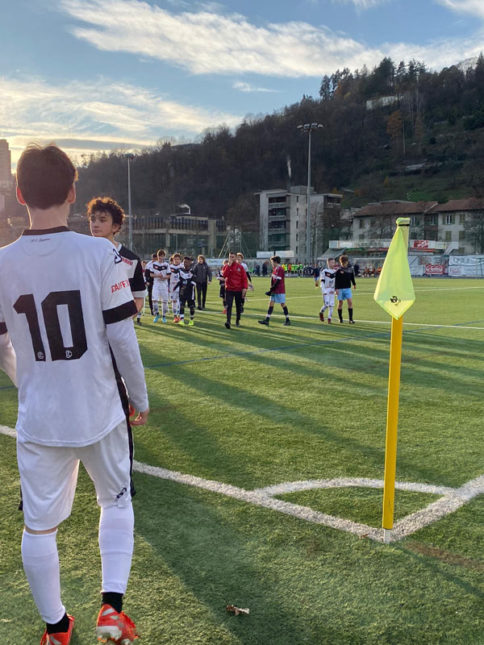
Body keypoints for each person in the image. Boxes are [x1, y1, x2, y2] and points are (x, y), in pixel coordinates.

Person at [0, 143, 149, 645]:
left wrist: (35, 383)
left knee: (39, 528)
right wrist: (140, 398)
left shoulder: (1, 264)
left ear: (20, 194)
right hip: (100, 409)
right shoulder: (102, 252)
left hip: (40, 417)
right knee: (117, 501)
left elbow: (3, 349)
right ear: (72, 192)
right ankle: (112, 610)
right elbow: (122, 338)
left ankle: (56, 628)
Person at [87, 197, 146, 314]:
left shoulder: (132, 260)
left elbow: (139, 297)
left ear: (115, 226)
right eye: (93, 219)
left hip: (115, 326)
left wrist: (123, 322)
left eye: (102, 220)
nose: (95, 224)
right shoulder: (81, 253)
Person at [258, 255, 291, 327]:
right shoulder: (275, 269)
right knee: (271, 303)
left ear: (275, 262)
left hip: (279, 290)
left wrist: (271, 290)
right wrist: (271, 290)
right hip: (274, 290)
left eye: (272, 262)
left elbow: (278, 281)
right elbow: (273, 280)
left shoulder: (280, 269)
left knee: (282, 304)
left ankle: (288, 319)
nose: (271, 263)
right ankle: (267, 320)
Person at [222, 252, 248, 329]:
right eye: (230, 257)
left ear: (236, 258)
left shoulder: (240, 267)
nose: (231, 258)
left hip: (238, 289)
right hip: (229, 289)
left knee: (238, 306)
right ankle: (228, 322)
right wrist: (228, 266)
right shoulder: (226, 266)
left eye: (233, 257)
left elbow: (244, 278)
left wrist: (244, 288)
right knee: (228, 305)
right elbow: (224, 275)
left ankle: (237, 320)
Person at [150, 249, 171, 323]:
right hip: (156, 284)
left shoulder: (166, 265)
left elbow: (169, 275)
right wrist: (157, 275)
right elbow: (151, 274)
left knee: (164, 301)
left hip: (164, 285)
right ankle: (157, 314)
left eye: (162, 256)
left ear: (164, 256)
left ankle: (164, 316)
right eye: (159, 256)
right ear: (157, 256)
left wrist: (163, 277)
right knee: (154, 300)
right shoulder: (153, 264)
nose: (161, 258)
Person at [335, 254, 356, 324]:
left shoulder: (350, 269)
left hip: (347, 288)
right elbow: (336, 280)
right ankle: (340, 318)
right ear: (340, 262)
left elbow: (352, 277)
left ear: (347, 262)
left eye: (344, 262)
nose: (343, 263)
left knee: (350, 302)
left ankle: (351, 319)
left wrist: (354, 284)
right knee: (340, 303)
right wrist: (336, 289)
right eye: (342, 262)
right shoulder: (338, 270)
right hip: (340, 289)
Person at [175, 256, 196, 326]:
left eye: (187, 262)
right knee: (181, 306)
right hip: (182, 291)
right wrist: (176, 286)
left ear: (190, 263)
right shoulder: (180, 270)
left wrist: (189, 284)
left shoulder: (193, 271)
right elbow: (179, 281)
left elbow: (194, 282)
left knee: (192, 307)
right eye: (184, 262)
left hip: (190, 292)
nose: (185, 263)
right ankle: (182, 320)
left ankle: (191, 320)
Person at [315, 258, 336, 324]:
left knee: (331, 305)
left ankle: (329, 319)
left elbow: (336, 282)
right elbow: (322, 282)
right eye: (332, 262)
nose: (333, 264)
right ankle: (321, 312)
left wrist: (335, 290)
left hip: (332, 290)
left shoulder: (335, 272)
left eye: (334, 262)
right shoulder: (324, 271)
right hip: (326, 289)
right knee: (326, 304)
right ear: (328, 263)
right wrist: (323, 290)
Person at [169, 252, 182, 323]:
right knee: (173, 301)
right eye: (175, 259)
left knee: (180, 301)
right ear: (173, 260)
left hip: (180, 286)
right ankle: (175, 316)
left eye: (178, 259)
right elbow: (168, 277)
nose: (177, 260)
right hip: (172, 286)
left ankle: (180, 316)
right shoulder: (170, 267)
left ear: (180, 260)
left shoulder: (182, 267)